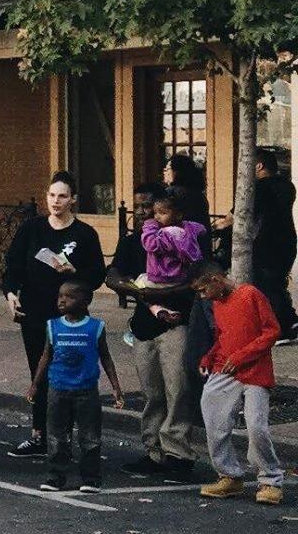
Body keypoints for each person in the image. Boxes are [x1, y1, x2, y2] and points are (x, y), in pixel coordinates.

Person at [2, 172, 107, 459]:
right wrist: (10, 293)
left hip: (69, 316)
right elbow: (13, 266)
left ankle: (65, 436)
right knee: (40, 371)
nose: (56, 201)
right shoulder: (31, 229)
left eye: (62, 196)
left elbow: (97, 275)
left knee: (67, 373)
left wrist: (75, 272)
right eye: (51, 195)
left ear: (73, 199)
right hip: (34, 310)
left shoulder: (84, 234)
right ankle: (40, 434)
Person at [105, 181, 199, 476]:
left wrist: (163, 292)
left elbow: (198, 277)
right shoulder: (133, 241)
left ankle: (179, 453)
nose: (144, 212)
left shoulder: (183, 237)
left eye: (150, 207)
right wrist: (126, 286)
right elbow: (113, 273)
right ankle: (154, 451)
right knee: (152, 392)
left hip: (176, 321)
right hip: (144, 326)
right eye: (140, 207)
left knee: (177, 389)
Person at [192, 259, 284, 505]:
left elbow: (272, 331)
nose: (203, 296)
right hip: (225, 367)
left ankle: (270, 479)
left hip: (254, 369)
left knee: (256, 426)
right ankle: (229, 475)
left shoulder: (250, 294)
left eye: (203, 289)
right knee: (213, 417)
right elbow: (223, 336)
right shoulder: (217, 303)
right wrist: (209, 357)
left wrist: (242, 356)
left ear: (215, 280)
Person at [27, 279, 122, 493]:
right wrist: (35, 384)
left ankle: (91, 477)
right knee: (56, 436)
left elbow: (106, 357)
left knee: (90, 436)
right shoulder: (53, 326)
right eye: (60, 296)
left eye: (70, 297)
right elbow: (45, 356)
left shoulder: (96, 327)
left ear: (86, 301)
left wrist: (116, 387)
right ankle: (55, 476)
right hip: (58, 388)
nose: (62, 300)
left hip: (86, 389)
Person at [249, 150, 298, 341]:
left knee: (266, 285)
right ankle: (290, 320)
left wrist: (219, 226)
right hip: (287, 240)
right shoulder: (287, 185)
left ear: (259, 166)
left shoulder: (260, 187)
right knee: (276, 283)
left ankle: (282, 327)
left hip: (266, 242)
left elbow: (240, 213)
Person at [138, 189, 207, 289]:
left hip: (165, 278)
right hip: (181, 275)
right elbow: (201, 229)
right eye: (155, 213)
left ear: (178, 215)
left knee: (139, 282)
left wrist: (149, 227)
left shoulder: (168, 233)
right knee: (143, 276)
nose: (157, 217)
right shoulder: (186, 228)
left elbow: (150, 244)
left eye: (163, 213)